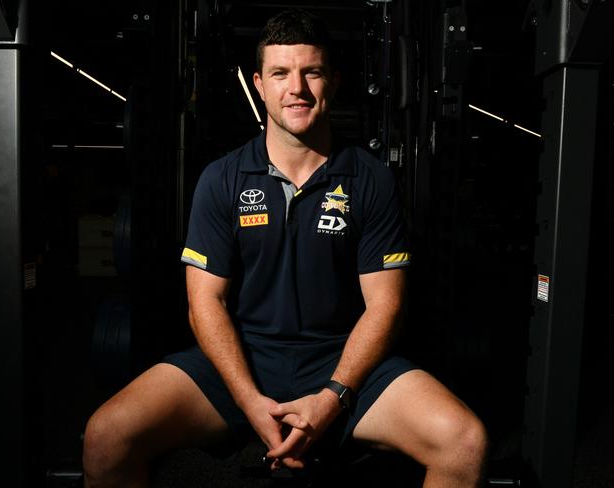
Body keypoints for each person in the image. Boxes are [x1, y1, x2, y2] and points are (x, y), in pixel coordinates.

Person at [82, 8, 488, 488]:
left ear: (332, 82)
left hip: (342, 360)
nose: (295, 88)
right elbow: (204, 303)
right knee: (107, 435)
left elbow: (386, 305)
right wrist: (249, 400)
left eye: (310, 72)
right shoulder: (222, 179)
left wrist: (334, 395)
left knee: (463, 442)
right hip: (245, 357)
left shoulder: (371, 179)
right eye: (280, 73)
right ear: (259, 83)